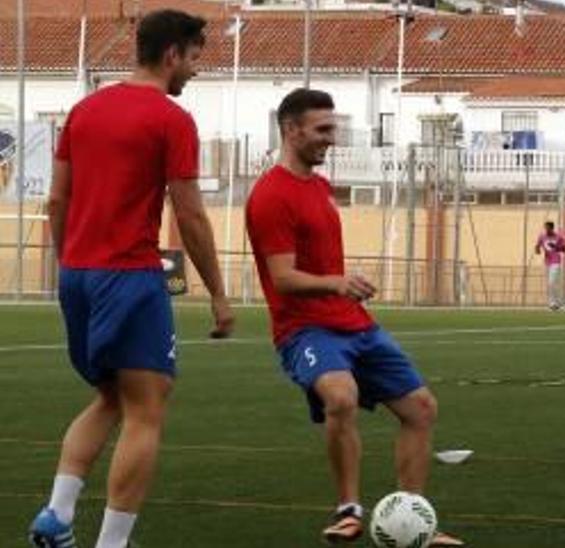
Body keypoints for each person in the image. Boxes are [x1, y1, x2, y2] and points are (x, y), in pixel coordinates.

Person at [28, 9, 235, 548]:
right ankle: (112, 544)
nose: (194, 71)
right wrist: (218, 292)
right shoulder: (170, 119)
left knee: (112, 399)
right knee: (147, 408)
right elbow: (189, 213)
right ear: (172, 55)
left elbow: (57, 199)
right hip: (129, 275)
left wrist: (70, 262)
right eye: (193, 59)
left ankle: (57, 514)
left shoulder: (83, 111)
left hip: (77, 276)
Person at [245, 88, 461, 546]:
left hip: (354, 323)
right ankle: (348, 511)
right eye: (322, 129)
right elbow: (281, 277)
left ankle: (414, 519)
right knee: (340, 398)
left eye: (334, 128)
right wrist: (337, 282)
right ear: (290, 129)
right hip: (303, 328)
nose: (332, 138)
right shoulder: (269, 196)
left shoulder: (319, 186)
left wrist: (342, 289)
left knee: (421, 408)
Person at [534, 221, 565, 310]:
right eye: (545, 228)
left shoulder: (558, 237)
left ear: (552, 228)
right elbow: (537, 247)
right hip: (547, 262)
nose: (546, 230)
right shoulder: (542, 236)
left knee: (552, 282)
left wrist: (555, 247)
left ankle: (554, 302)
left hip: (556, 261)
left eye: (548, 228)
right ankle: (554, 303)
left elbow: (564, 249)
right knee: (550, 284)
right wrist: (537, 249)